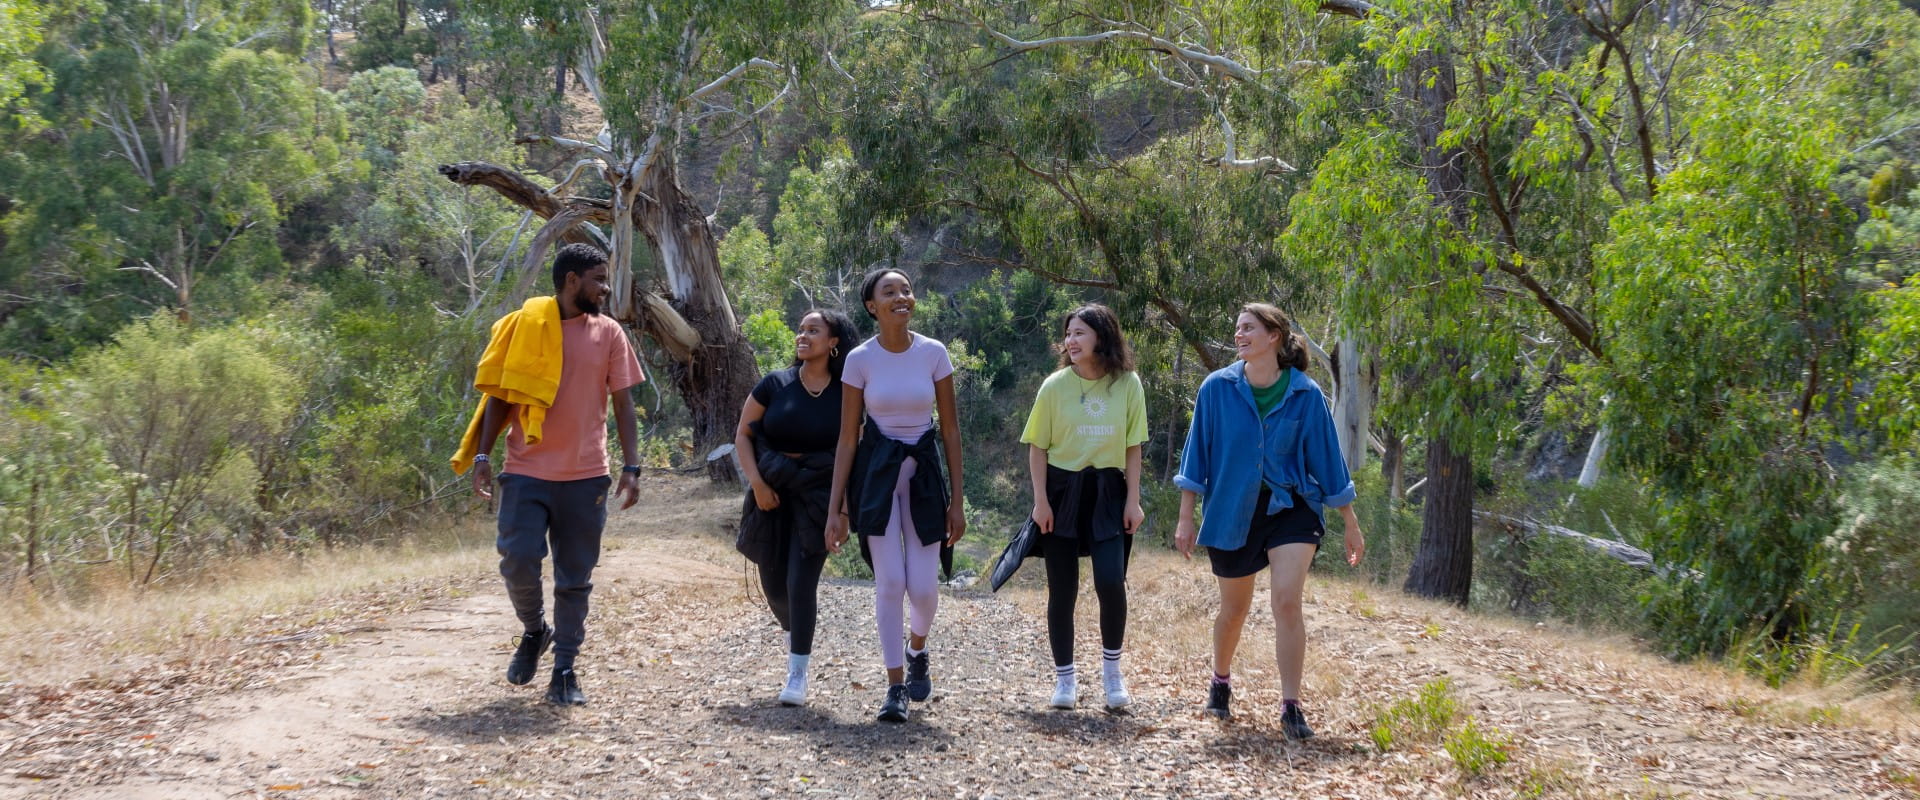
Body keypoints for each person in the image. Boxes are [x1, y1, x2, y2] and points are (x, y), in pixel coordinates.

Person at [451, 243, 645, 706]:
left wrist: (632, 466)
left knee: (574, 577)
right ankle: (535, 631)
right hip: (526, 470)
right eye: (598, 279)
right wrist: (482, 456)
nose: (605, 288)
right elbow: (500, 396)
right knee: (518, 559)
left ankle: (565, 669)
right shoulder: (524, 327)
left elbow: (624, 404)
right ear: (572, 280)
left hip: (586, 476)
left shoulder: (610, 333)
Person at [1172, 302, 1364, 738]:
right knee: (1234, 610)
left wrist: (1350, 520)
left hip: (1291, 506)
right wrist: (1186, 518)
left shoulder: (1305, 394)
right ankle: (1221, 681)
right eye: (1237, 328)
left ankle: (1291, 706)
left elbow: (1328, 462)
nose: (1239, 335)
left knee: (1286, 602)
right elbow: (1195, 456)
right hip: (1232, 510)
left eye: (1249, 328)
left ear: (1274, 336)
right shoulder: (1215, 389)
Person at [825, 268, 967, 723]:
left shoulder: (933, 353)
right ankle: (894, 687)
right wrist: (837, 509)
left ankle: (917, 647)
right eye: (890, 292)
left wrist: (957, 501)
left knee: (924, 589)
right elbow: (848, 438)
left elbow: (949, 429)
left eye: (906, 289)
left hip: (923, 475)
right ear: (872, 306)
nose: (901, 296)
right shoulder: (860, 360)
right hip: (878, 477)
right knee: (890, 583)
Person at [1019, 304, 1149, 712]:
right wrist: (1040, 501)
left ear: (1102, 336)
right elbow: (1037, 447)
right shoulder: (1054, 386)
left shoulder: (1128, 384)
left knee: (1111, 582)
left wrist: (1133, 500)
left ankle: (1113, 676)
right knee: (1063, 589)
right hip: (1061, 492)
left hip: (1109, 491)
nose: (1071, 341)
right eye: (1068, 334)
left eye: (1079, 333)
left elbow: (1133, 447)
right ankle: (1065, 680)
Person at [734, 309, 858, 707]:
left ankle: (797, 673)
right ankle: (795, 637)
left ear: (833, 342)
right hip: (770, 491)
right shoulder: (775, 384)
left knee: (800, 582)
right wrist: (757, 483)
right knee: (773, 583)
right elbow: (743, 435)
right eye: (801, 330)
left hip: (819, 496)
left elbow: (851, 451)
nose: (803, 336)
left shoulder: (847, 392)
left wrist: (842, 511)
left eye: (814, 331)